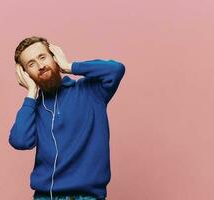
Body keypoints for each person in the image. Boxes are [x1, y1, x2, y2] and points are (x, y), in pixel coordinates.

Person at [8, 36, 126, 200]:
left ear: (54, 57)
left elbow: (116, 69)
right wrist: (31, 93)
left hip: (87, 197)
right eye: (31, 64)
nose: (41, 66)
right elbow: (20, 141)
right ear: (25, 74)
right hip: (45, 197)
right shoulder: (33, 108)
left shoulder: (90, 91)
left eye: (42, 57)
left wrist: (68, 66)